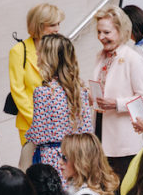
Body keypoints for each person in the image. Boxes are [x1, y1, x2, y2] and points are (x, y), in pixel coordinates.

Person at [92, 5, 143, 184]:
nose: (101, 37)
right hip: (101, 132)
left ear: (121, 31)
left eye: (106, 32)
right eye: (99, 32)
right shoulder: (101, 56)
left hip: (124, 141)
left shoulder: (133, 58)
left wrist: (117, 103)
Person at [26, 33, 93, 177]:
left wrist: (29, 134)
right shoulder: (80, 91)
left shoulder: (43, 92)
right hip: (77, 158)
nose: (37, 56)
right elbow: (87, 129)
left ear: (47, 58)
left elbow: (38, 135)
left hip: (51, 159)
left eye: (39, 53)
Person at [9, 3, 64, 147]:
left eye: (58, 24)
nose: (57, 29)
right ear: (39, 25)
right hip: (31, 124)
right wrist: (38, 120)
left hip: (59, 123)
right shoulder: (19, 51)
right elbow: (18, 91)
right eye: (52, 25)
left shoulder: (59, 47)